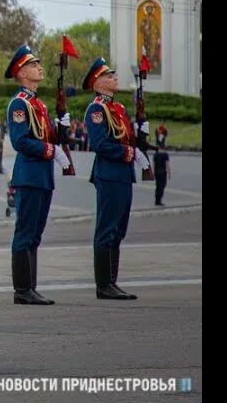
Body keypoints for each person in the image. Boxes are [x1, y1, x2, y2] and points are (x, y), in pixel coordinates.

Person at [4, 44, 71, 305]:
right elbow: (20, 141)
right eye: (33, 65)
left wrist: (62, 127)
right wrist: (50, 150)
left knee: (35, 234)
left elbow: (52, 137)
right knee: (25, 232)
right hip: (29, 175)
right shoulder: (19, 104)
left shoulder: (38, 105)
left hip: (42, 176)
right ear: (21, 73)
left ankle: (30, 286)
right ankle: (22, 289)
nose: (39, 68)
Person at [83, 58, 142, 301]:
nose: (114, 78)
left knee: (118, 229)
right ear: (97, 82)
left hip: (123, 174)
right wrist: (127, 153)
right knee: (106, 228)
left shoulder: (117, 109)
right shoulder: (97, 109)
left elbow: (126, 138)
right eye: (109, 75)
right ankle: (103, 284)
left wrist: (141, 133)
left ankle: (112, 281)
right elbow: (100, 144)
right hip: (108, 173)